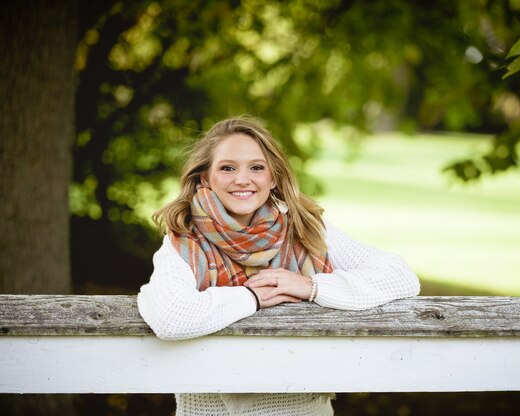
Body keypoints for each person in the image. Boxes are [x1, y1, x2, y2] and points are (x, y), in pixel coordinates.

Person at [137, 116, 420, 416]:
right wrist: (253, 297)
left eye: (257, 167)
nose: (243, 179)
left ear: (272, 178)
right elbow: (170, 318)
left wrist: (310, 287)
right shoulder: (184, 242)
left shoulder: (305, 229)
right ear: (206, 177)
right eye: (227, 167)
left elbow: (401, 277)